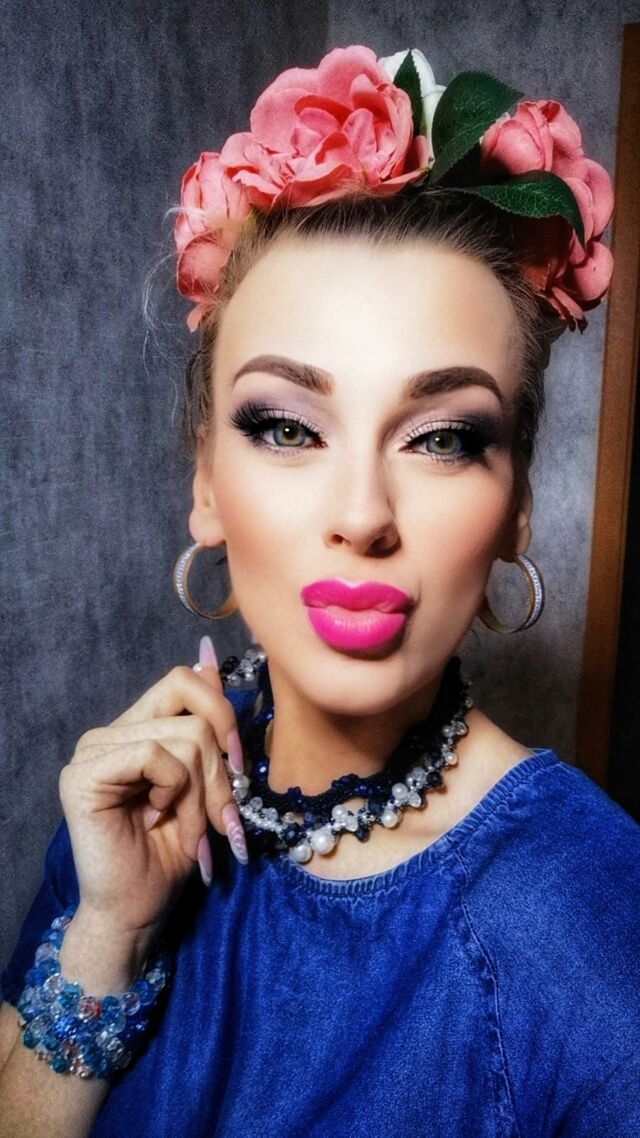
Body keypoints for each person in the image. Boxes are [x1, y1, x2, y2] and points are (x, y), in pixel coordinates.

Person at [0, 42, 637, 1138]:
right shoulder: (133, 800)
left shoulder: (585, 916)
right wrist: (109, 934)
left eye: (443, 437)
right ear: (207, 482)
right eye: (287, 427)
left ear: (518, 508)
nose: (362, 513)